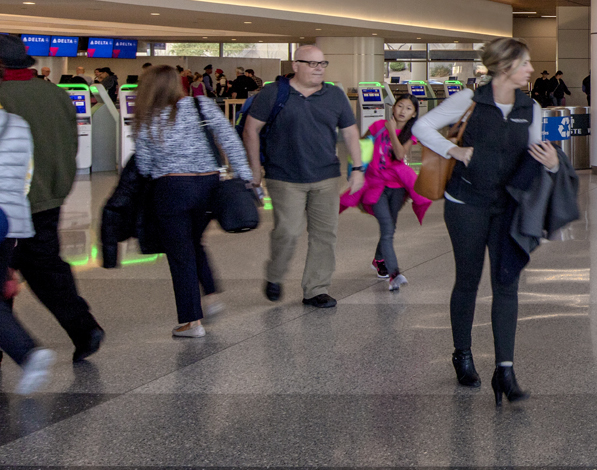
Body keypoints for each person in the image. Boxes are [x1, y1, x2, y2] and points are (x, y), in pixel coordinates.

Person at [415, 36, 558, 404]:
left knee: (506, 283)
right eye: (524, 63)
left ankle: (505, 371)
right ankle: (462, 355)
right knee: (468, 279)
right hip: (466, 202)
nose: (530, 69)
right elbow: (422, 127)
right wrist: (456, 150)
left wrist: (552, 163)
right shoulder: (470, 100)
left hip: (507, 205)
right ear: (506, 67)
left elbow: (537, 149)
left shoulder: (531, 106)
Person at [0, 35, 105, 360]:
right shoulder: (56, 94)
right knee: (45, 266)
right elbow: (71, 144)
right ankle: (84, 328)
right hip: (48, 198)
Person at [130, 64, 249, 339]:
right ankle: (212, 295)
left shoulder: (148, 116)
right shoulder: (201, 105)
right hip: (208, 186)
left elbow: (145, 164)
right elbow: (230, 140)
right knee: (194, 242)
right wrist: (245, 177)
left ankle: (191, 322)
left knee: (180, 254)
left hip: (171, 188)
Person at [241, 42, 363, 310]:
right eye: (312, 64)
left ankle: (316, 288)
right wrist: (254, 170)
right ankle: (275, 274)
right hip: (285, 177)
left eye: (322, 64)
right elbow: (251, 130)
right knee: (288, 231)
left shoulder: (334, 96)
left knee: (325, 234)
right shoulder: (273, 93)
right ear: (295, 66)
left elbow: (350, 132)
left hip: (326, 177)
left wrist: (357, 168)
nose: (319, 69)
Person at [0, 107, 58, 393]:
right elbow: (28, 172)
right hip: (9, 218)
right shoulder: (18, 122)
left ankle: (26, 351)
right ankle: (24, 352)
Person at [343, 92, 425, 291]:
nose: (402, 111)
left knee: (391, 226)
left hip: (397, 188)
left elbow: (399, 154)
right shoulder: (377, 126)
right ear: (393, 107)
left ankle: (379, 259)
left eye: (408, 108)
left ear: (414, 114)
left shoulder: (410, 133)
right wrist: (358, 170)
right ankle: (394, 273)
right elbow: (361, 147)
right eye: (400, 106)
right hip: (375, 185)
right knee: (387, 228)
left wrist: (391, 130)